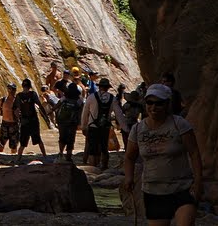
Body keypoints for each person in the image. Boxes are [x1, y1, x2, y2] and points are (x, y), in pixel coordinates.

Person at [123, 83, 203, 226]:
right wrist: (128, 177)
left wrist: (198, 183)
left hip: (182, 188)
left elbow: (194, 153)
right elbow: (129, 157)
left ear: (167, 104)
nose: (153, 107)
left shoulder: (180, 125)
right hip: (153, 191)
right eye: (150, 103)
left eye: (159, 103)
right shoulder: (137, 129)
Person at [82, 78, 125, 169]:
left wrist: (83, 126)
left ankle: (93, 169)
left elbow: (85, 113)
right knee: (104, 148)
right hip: (105, 127)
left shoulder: (91, 97)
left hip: (93, 126)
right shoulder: (112, 99)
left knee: (93, 150)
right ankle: (104, 167)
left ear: (99, 87)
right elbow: (119, 115)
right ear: (108, 88)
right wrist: (125, 129)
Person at [14, 78, 51, 164]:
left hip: (24, 121)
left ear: (22, 86)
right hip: (33, 120)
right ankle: (45, 157)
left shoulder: (19, 96)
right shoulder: (32, 94)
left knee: (23, 142)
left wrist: (18, 118)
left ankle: (18, 159)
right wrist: (46, 116)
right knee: (38, 139)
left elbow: (16, 109)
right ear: (30, 86)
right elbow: (39, 105)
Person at [54, 75, 84, 162]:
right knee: (71, 139)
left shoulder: (64, 98)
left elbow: (57, 106)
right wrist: (80, 123)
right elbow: (81, 111)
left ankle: (60, 153)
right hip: (72, 122)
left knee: (62, 137)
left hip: (62, 121)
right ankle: (69, 156)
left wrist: (50, 112)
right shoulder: (79, 100)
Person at [0, 83, 19, 154]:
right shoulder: (3, 100)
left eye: (13, 89)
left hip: (14, 125)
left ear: (15, 90)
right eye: (9, 89)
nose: (11, 91)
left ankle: (13, 160)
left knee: (14, 146)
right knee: (0, 144)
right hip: (4, 124)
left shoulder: (17, 101)